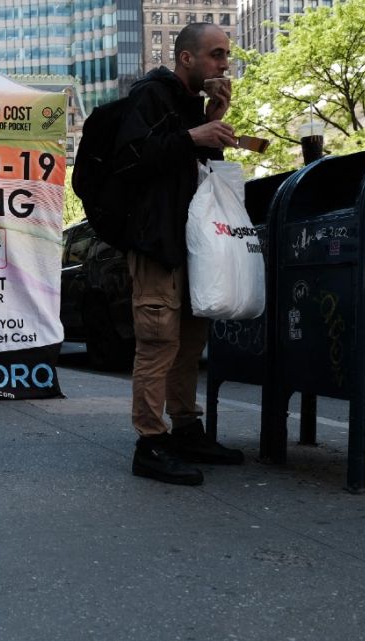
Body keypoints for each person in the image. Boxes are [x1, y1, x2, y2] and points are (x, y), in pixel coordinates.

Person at [117, 23, 244, 485]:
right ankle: (150, 442)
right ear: (187, 58)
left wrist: (213, 118)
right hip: (157, 244)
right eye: (216, 55)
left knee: (190, 341)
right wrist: (195, 135)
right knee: (157, 341)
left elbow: (192, 174)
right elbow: (131, 159)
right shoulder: (149, 95)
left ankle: (186, 428)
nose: (224, 64)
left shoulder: (192, 107)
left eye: (226, 55)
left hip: (194, 244)